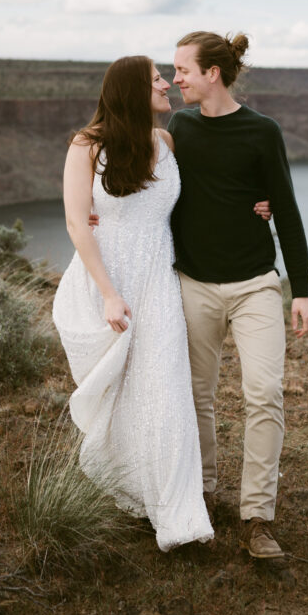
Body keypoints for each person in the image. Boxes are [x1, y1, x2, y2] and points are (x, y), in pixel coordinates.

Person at [51, 55, 213, 551]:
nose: (167, 84)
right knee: (122, 391)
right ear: (129, 91)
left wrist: (259, 202)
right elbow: (79, 223)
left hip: (158, 281)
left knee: (166, 388)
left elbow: (203, 196)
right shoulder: (87, 145)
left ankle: (178, 514)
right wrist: (108, 294)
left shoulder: (165, 141)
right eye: (156, 79)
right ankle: (124, 481)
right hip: (109, 279)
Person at [169, 31, 308, 560]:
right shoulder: (179, 126)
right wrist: (98, 206)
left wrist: (302, 290)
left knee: (264, 395)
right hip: (194, 285)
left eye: (183, 69)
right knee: (196, 397)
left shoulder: (262, 131)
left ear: (213, 73)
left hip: (256, 284)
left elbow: (288, 209)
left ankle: (257, 516)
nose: (176, 77)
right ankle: (202, 495)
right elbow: (153, 186)